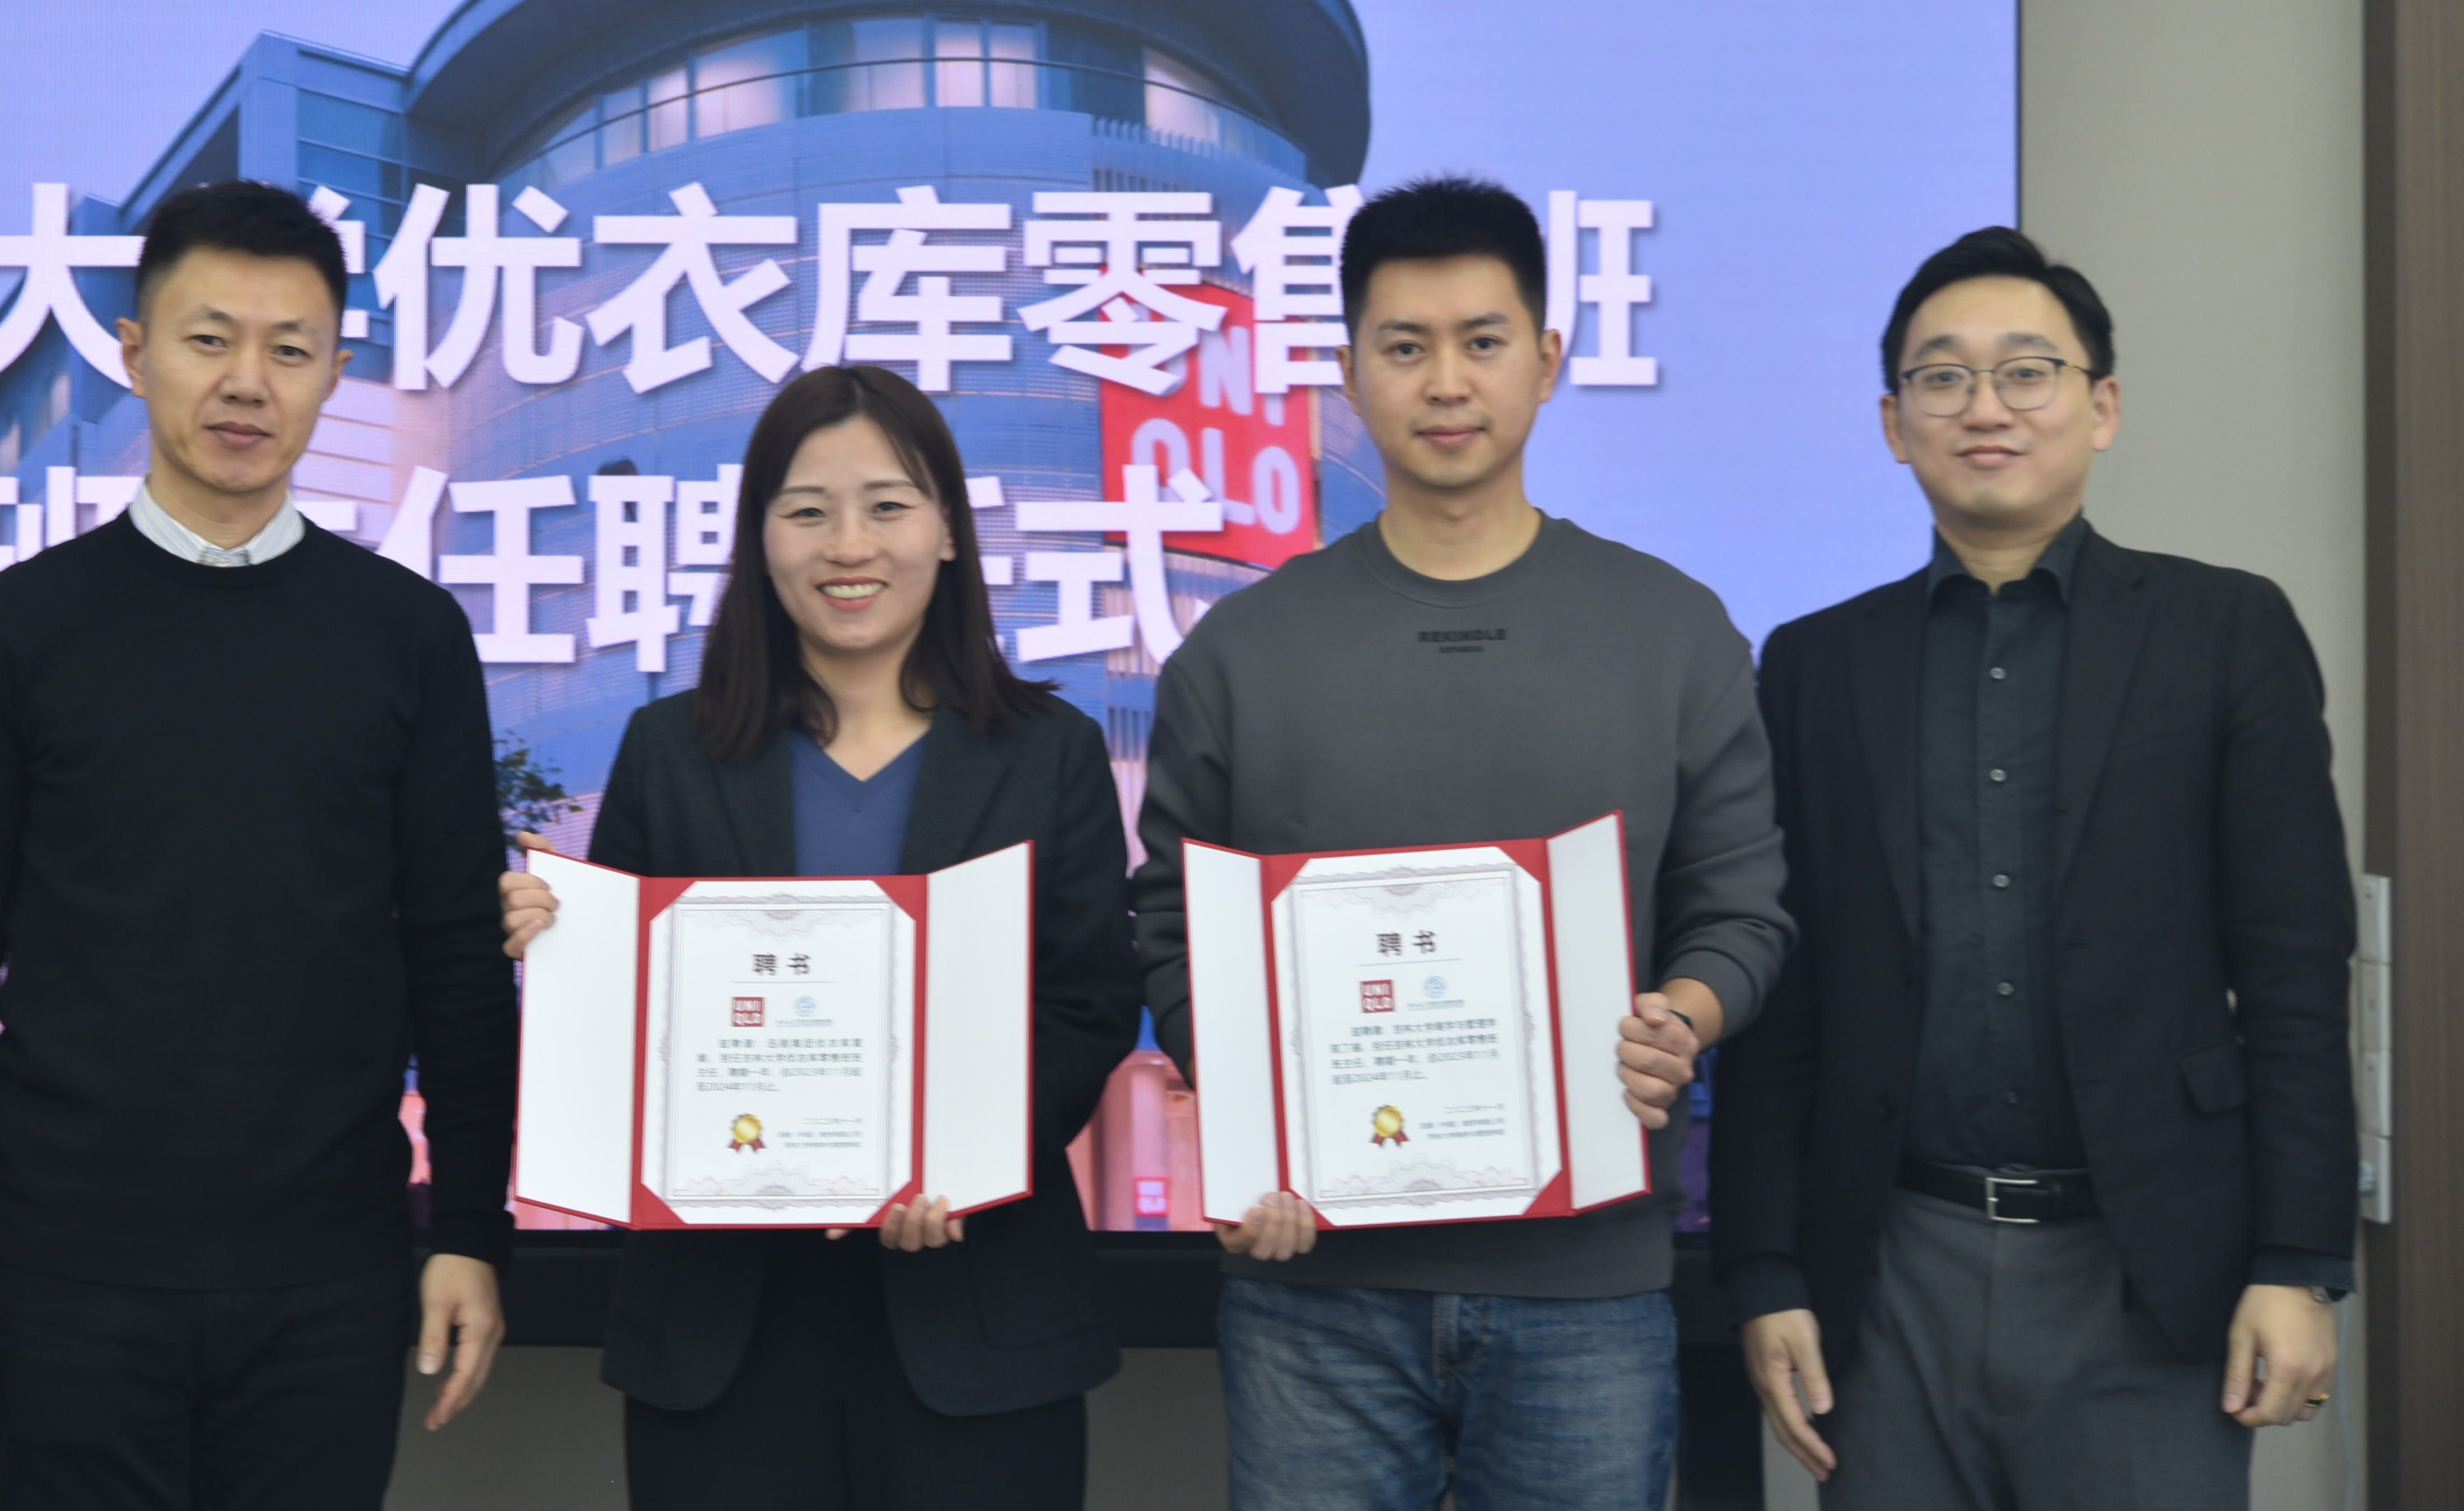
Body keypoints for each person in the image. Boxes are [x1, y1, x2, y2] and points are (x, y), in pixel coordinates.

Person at [1131, 173, 1792, 1511]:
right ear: (1345, 374)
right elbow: (1168, 921)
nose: (1445, 382)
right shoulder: (1242, 653)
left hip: (1587, 1285)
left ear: (1544, 359)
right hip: (1315, 1288)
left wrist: (1683, 1013)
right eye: (1404, 345)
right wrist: (1251, 1107)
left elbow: (1740, 906)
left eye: (1481, 341)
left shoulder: (1669, 629)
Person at [0, 179, 518, 1509]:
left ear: (333, 373)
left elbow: (456, 954)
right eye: (208, 338)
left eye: (290, 348)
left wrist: (470, 1228)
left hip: (332, 1272)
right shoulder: (17, 631)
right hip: (69, 1270)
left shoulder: (407, 636)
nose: (247, 382)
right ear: (135, 351)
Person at [1711, 226, 2354, 1507]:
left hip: (2146, 1266)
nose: (1983, 407)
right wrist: (1763, 1270)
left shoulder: (2224, 632)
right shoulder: (1814, 664)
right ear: (1892, 423)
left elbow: (2293, 971)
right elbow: (1783, 996)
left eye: (2024, 371)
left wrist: (2295, 1257)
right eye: (1940, 377)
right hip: (1890, 1271)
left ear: (2099, 406)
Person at [499, 363, 1140, 1511]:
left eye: (887, 506)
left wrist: (963, 1157)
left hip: (978, 1304)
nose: (849, 546)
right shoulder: (669, 751)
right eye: (807, 511)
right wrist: (556, 946)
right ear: (760, 540)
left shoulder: (1049, 751)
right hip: (721, 1321)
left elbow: (1086, 1003)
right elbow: (624, 1028)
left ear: (948, 531)